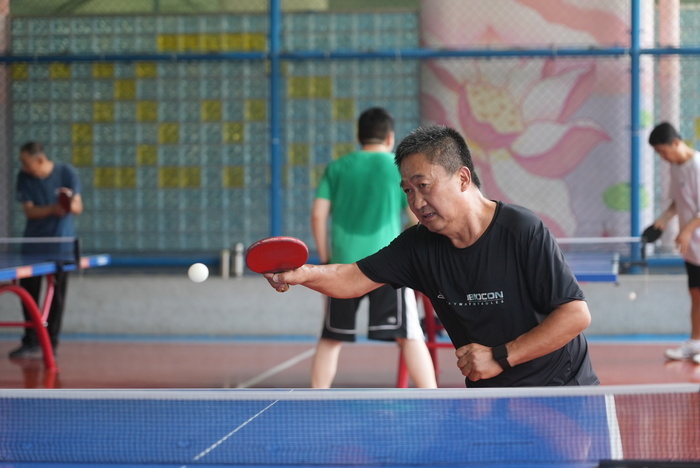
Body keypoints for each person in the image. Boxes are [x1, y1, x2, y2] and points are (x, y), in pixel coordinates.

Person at [265, 125, 599, 388]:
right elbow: (352, 279)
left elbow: (575, 315)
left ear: (463, 178)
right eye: (408, 190)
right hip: (493, 396)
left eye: (424, 185)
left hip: (562, 389)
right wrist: (301, 272)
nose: (416, 201)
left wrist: (501, 356)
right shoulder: (417, 245)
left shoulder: (521, 229)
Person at [310, 107, 437, 388]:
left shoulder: (337, 168)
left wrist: (326, 260)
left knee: (331, 338)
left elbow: (318, 215)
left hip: (341, 266)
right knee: (409, 336)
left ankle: (315, 398)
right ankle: (431, 396)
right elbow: (417, 214)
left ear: (359, 136)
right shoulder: (398, 168)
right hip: (389, 265)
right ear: (390, 137)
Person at [9, 141, 83, 360]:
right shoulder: (24, 178)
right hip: (33, 247)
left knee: (57, 298)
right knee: (28, 294)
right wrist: (53, 208)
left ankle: (50, 344)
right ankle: (30, 341)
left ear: (40, 159)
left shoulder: (67, 173)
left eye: (26, 162)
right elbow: (30, 212)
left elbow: (78, 206)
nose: (23, 166)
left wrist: (67, 206)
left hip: (62, 247)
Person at [648, 122, 700, 364]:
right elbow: (677, 203)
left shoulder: (697, 166)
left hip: (693, 239)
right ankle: (695, 342)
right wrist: (664, 220)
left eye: (662, 151)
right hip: (693, 248)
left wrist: (687, 230)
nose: (662, 157)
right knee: (695, 294)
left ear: (677, 143)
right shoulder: (676, 167)